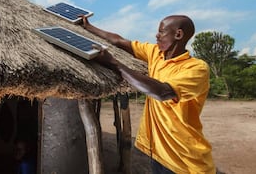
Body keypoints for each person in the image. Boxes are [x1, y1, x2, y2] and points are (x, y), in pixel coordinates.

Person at [80, 15, 215, 174]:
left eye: (161, 32)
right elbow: (120, 41)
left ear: (178, 35)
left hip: (185, 161)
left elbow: (162, 92)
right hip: (158, 154)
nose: (156, 36)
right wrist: (89, 27)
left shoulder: (196, 69)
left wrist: (114, 64)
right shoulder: (156, 54)